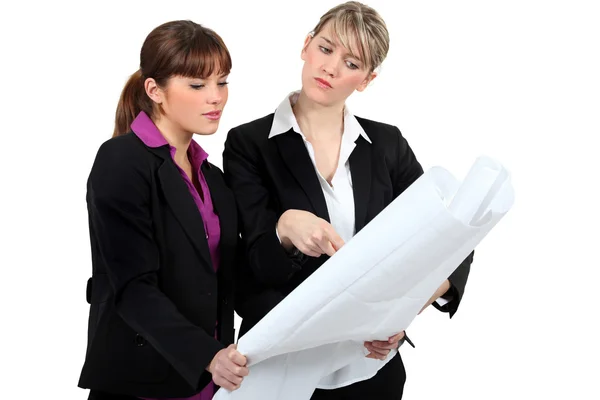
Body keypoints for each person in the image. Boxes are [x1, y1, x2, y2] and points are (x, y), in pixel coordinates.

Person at [223, 2, 473, 399]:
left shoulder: (387, 144)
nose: (331, 68)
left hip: (372, 371)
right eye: (325, 49)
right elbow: (258, 264)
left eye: (351, 62)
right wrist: (285, 228)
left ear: (367, 79)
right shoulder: (248, 144)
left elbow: (452, 241)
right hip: (281, 369)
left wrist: (402, 314)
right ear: (306, 46)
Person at [78, 20, 248, 400]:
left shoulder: (213, 177)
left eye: (222, 82)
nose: (216, 97)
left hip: (209, 380)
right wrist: (208, 355)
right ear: (155, 90)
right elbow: (133, 288)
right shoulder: (121, 161)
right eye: (197, 84)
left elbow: (232, 282)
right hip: (144, 380)